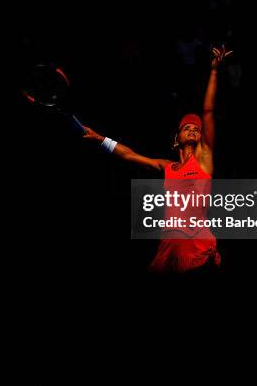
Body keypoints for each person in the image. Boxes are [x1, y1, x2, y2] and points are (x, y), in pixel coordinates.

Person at [83, 45, 233, 274]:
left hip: (196, 249)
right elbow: (130, 155)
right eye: (187, 128)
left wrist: (214, 71)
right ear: (176, 140)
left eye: (197, 129)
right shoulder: (167, 167)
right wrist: (100, 139)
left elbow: (209, 110)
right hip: (169, 248)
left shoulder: (203, 161)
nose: (193, 130)